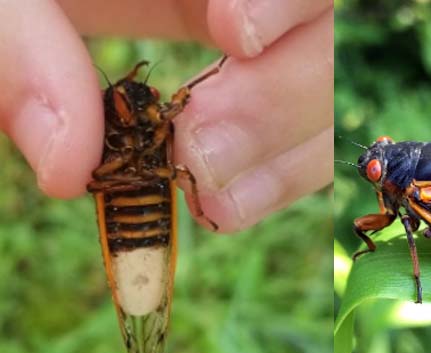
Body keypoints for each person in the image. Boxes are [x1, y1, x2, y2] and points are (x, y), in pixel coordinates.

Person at [0, 0, 333, 232]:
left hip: (141, 191)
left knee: (186, 167)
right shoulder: (129, 128)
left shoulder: (160, 123)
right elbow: (95, 177)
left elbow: (177, 113)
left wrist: (219, 68)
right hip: (128, 201)